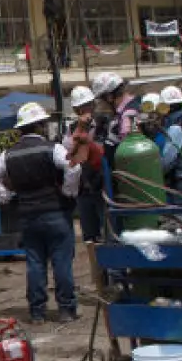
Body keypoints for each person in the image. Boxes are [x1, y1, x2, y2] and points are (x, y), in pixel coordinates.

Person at [0, 102, 83, 323]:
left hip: (28, 216)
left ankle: (37, 312)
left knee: (35, 264)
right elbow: (74, 167)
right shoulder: (52, 148)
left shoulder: (7, 155)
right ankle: (66, 310)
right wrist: (69, 192)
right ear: (40, 125)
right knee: (62, 263)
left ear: (21, 129)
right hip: (56, 213)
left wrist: (8, 197)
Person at [64, 86, 105, 243]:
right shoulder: (71, 128)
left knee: (107, 230)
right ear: (75, 109)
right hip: (83, 188)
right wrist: (80, 129)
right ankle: (97, 266)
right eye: (81, 107)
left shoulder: (103, 123)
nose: (85, 110)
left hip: (101, 185)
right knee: (89, 235)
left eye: (88, 105)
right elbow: (67, 153)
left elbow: (103, 151)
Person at [140, 110, 182, 205]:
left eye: (155, 119)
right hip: (164, 184)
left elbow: (164, 165)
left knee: (181, 217)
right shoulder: (153, 136)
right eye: (147, 123)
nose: (151, 125)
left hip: (180, 185)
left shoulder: (174, 131)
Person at [91, 72, 138, 164]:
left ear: (109, 97)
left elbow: (131, 156)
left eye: (100, 100)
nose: (100, 105)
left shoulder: (127, 118)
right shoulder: (134, 104)